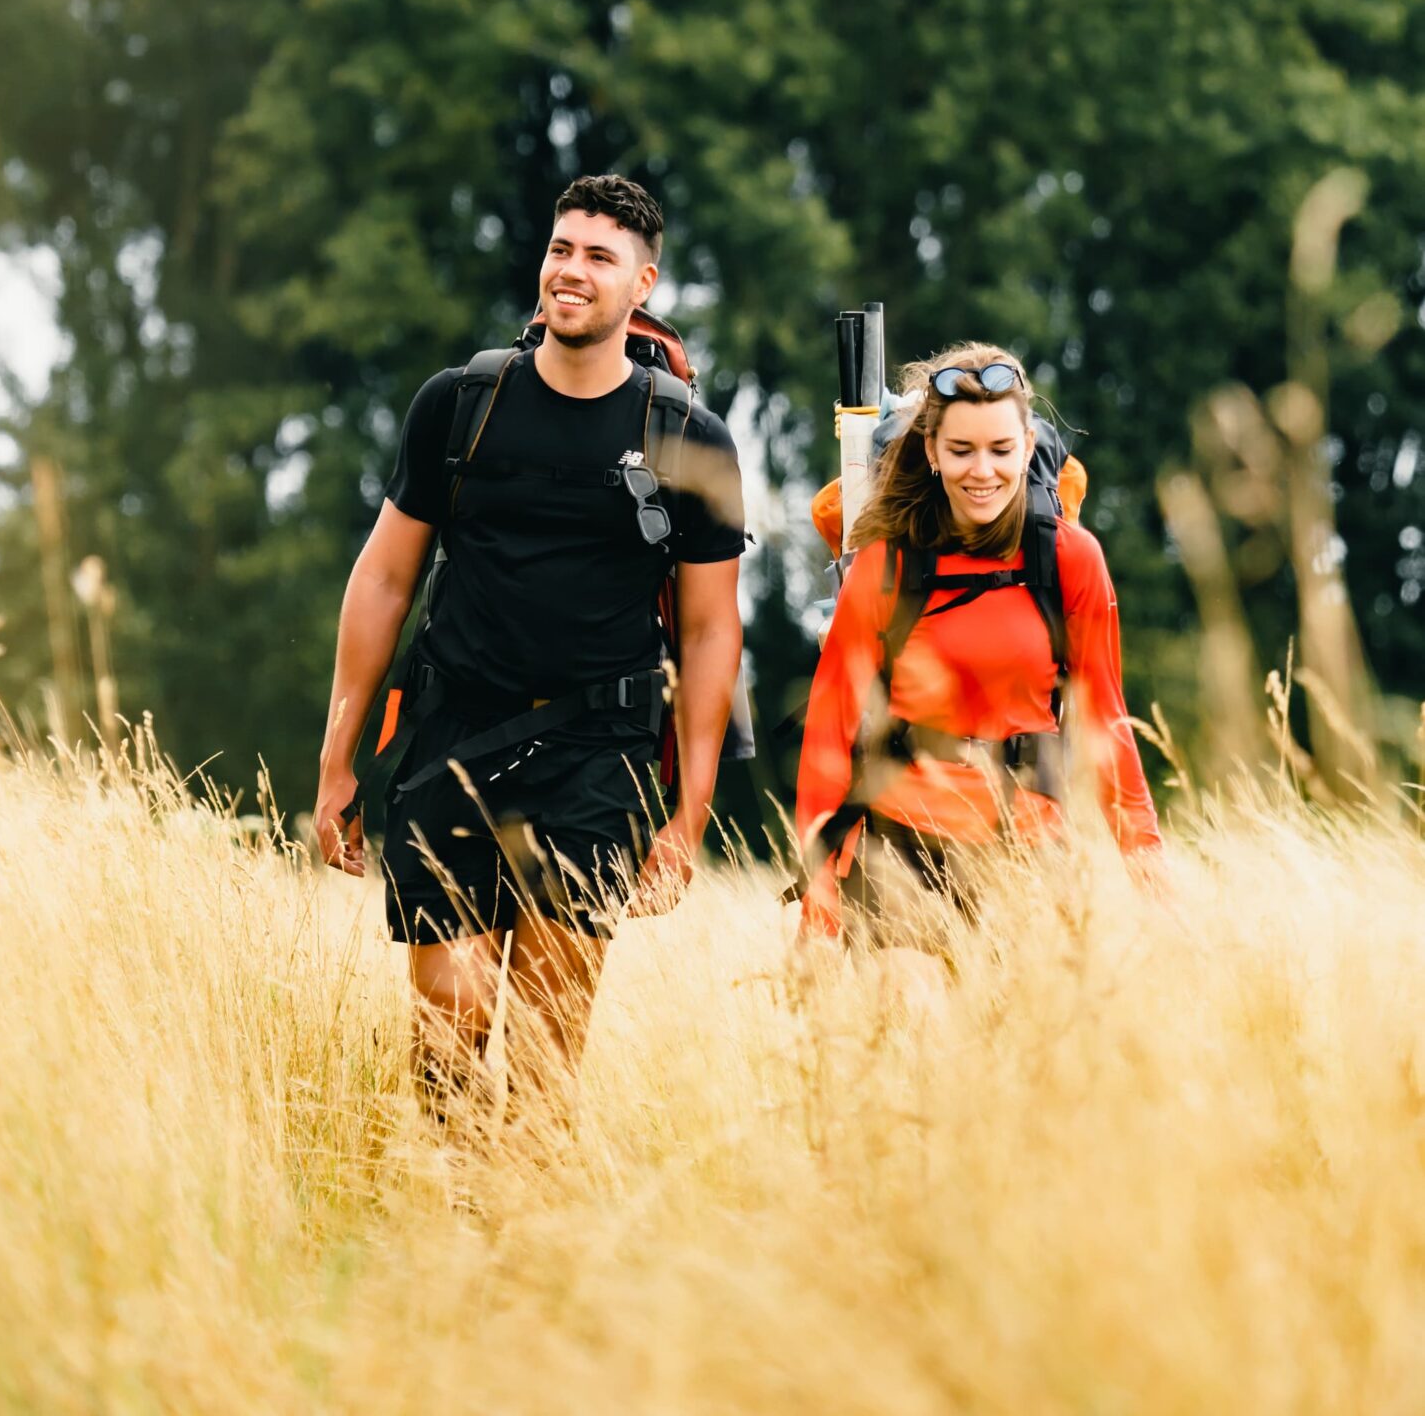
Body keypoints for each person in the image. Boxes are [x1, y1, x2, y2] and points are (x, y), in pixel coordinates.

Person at [313, 174, 745, 1134]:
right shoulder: (459, 404)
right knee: (447, 1029)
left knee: (548, 1052)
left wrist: (688, 814)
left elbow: (712, 631)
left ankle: (531, 1218)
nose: (571, 271)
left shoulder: (688, 438)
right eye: (561, 249)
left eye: (599, 257)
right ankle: (453, 1205)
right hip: (452, 733)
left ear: (642, 284)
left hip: (598, 752)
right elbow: (382, 580)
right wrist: (337, 759)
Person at [795, 342, 1159, 968]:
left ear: (1027, 446)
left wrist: (1149, 873)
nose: (982, 471)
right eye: (961, 450)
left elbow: (1107, 724)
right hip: (897, 846)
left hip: (1029, 851)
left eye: (1000, 450)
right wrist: (820, 901)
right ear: (932, 452)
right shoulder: (885, 567)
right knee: (907, 1008)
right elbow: (829, 734)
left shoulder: (1069, 558)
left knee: (1020, 1027)